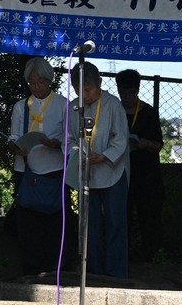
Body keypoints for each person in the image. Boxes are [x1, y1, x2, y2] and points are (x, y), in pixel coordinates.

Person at [66, 61, 130, 279]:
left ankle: (117, 271)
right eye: (79, 90)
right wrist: (79, 153)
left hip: (112, 172)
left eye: (88, 90)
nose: (85, 95)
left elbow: (121, 139)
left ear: (99, 84)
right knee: (90, 224)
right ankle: (93, 270)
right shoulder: (74, 107)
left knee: (115, 221)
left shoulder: (113, 105)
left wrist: (103, 156)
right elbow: (69, 138)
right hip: (87, 173)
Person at [9, 57, 68, 275]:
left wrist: (57, 143)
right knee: (27, 221)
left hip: (54, 169)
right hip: (25, 169)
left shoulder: (63, 104)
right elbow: (14, 135)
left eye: (41, 82)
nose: (37, 87)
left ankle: (54, 265)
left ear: (49, 80)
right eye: (32, 83)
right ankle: (30, 266)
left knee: (53, 220)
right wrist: (15, 146)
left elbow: (70, 137)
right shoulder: (20, 106)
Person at [115, 69, 165, 263]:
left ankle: (152, 256)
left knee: (149, 217)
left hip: (146, 172)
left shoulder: (149, 112)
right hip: (121, 171)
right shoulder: (115, 110)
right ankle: (122, 255)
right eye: (123, 92)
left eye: (130, 93)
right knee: (122, 214)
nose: (126, 97)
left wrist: (145, 143)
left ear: (137, 90)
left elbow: (159, 144)